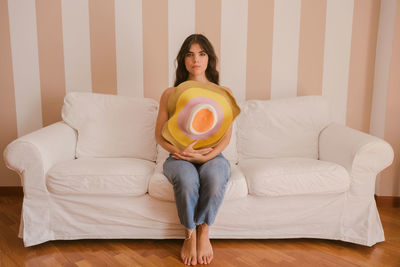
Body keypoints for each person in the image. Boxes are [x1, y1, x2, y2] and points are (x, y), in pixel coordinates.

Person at [155, 34, 237, 266]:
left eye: (201, 53)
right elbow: (159, 134)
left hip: (212, 156)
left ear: (209, 58)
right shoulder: (170, 94)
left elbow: (226, 136)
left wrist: (208, 155)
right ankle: (189, 233)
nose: (196, 59)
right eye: (189, 54)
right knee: (187, 179)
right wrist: (179, 152)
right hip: (178, 156)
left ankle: (204, 232)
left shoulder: (223, 92)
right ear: (183, 60)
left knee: (215, 176)